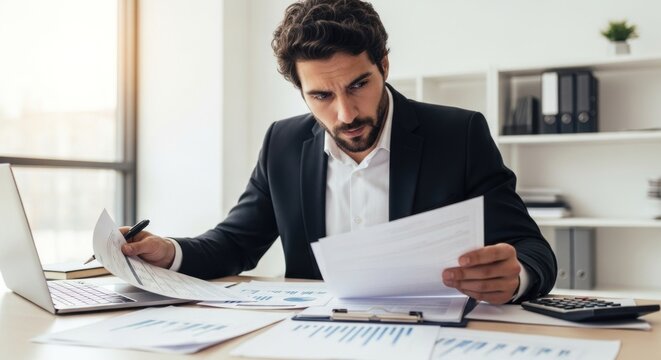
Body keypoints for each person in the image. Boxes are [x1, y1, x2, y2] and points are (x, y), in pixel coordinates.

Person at [121, 0, 556, 304]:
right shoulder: (283, 144)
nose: (345, 113)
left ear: (383, 66)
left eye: (358, 85)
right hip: (316, 338)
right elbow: (235, 243)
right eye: (321, 96)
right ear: (301, 91)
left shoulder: (458, 134)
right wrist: (170, 251)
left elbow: (532, 248)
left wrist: (518, 276)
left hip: (431, 338)